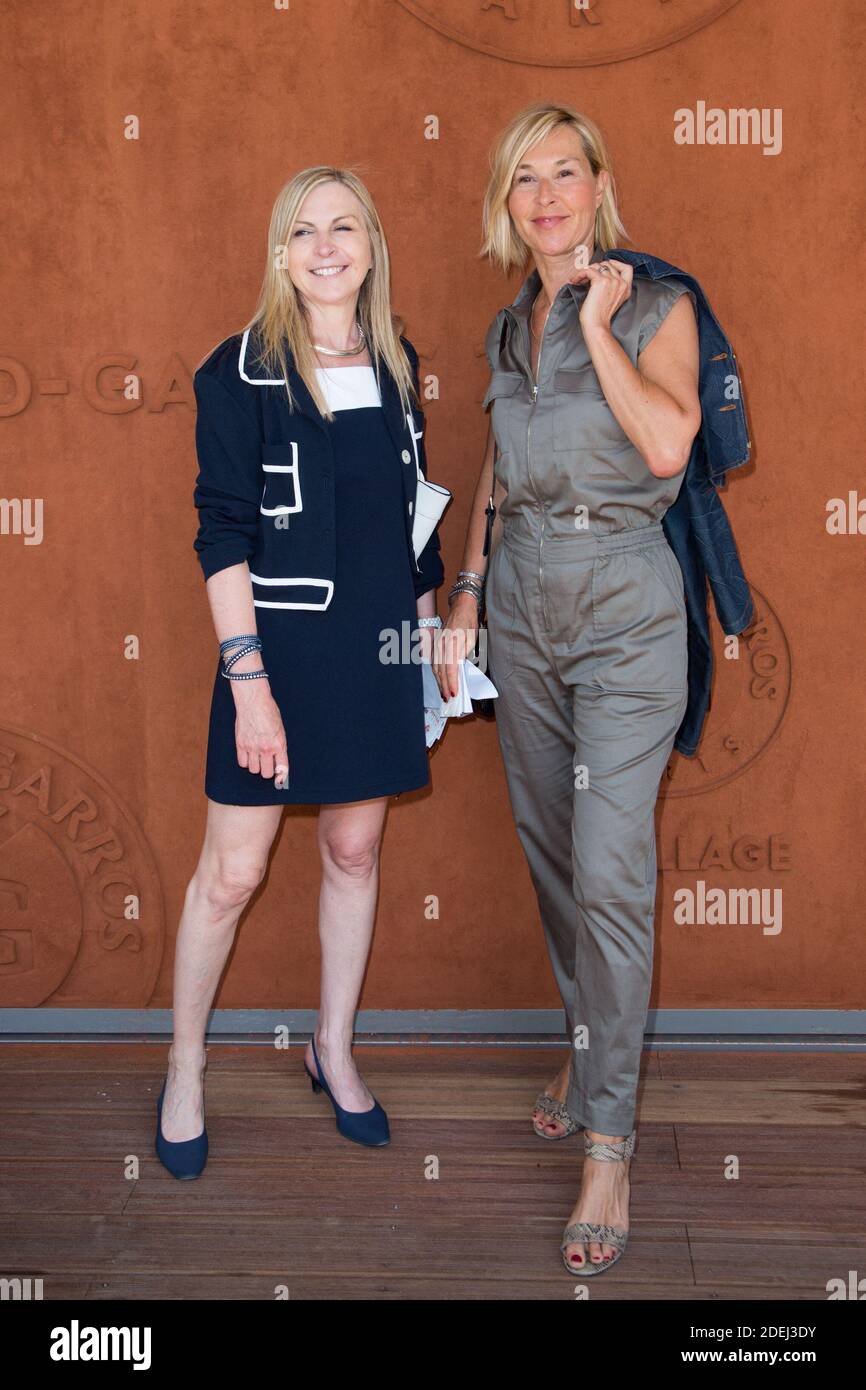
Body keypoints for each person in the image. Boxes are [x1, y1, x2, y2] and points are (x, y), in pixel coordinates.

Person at [434, 102, 701, 1275]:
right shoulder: (502, 332)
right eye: (521, 179)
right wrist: (466, 590)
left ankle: (608, 1146)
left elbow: (664, 446)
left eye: (562, 173)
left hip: (624, 610)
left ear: (597, 185)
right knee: (551, 853)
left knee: (607, 866)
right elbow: (497, 463)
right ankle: (583, 1037)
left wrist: (597, 326)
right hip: (526, 606)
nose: (543, 196)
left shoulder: (656, 306)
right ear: (506, 204)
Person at [156, 167, 444, 1177]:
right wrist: (249, 685)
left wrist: (425, 650)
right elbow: (221, 533)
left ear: (370, 243)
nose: (325, 246)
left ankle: (333, 1046)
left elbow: (408, 532)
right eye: (302, 231)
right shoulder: (235, 370)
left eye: (343, 227)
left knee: (355, 853)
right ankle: (185, 1065)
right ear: (279, 253)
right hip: (273, 658)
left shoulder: (398, 360)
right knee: (231, 873)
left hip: (372, 655)